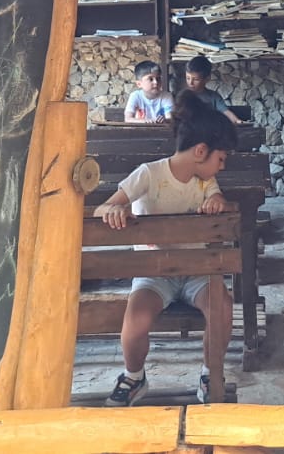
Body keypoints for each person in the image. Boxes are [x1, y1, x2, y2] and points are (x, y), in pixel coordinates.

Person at [95, 91, 235, 406]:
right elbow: (103, 207)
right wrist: (114, 210)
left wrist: (217, 201)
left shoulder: (205, 183)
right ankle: (134, 376)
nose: (222, 166)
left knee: (222, 308)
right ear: (201, 151)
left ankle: (210, 372)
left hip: (198, 272)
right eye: (221, 158)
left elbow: (218, 198)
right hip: (154, 272)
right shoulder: (149, 174)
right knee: (135, 323)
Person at [183, 55, 244, 125]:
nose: (190, 83)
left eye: (196, 79)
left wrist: (237, 121)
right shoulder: (183, 97)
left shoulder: (213, 97)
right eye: (188, 78)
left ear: (207, 79)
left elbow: (225, 112)